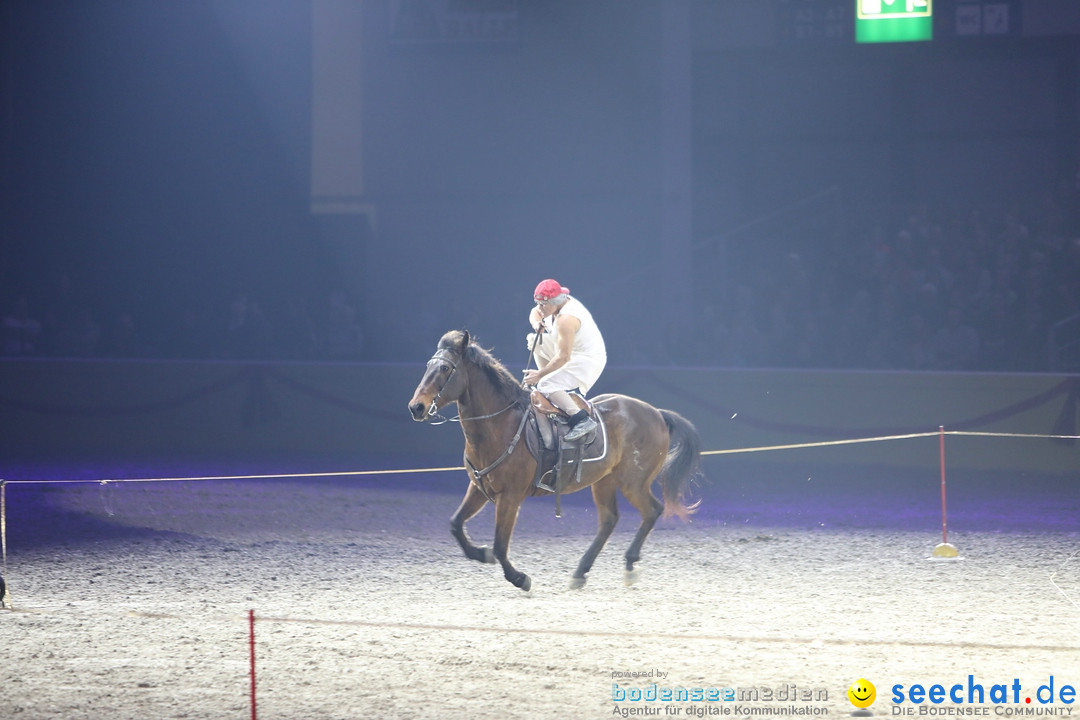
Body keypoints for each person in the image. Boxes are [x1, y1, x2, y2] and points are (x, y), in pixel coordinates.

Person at [522, 279, 607, 441]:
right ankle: (551, 386)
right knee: (534, 339)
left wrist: (540, 375)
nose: (539, 308)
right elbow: (534, 312)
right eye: (538, 303)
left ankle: (581, 419)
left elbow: (563, 357)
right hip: (569, 352)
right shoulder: (551, 306)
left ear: (555, 302)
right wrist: (536, 323)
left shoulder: (566, 319)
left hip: (586, 359)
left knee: (546, 383)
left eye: (543, 305)